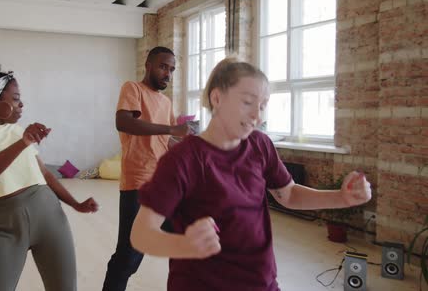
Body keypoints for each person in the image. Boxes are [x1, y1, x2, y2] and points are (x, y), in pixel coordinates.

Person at [130, 58, 372, 291]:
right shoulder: (182, 159)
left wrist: (341, 198)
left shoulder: (260, 145)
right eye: (247, 102)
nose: (258, 115)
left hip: (261, 283)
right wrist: (184, 245)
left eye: (263, 105)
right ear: (217, 98)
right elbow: (141, 235)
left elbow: (288, 195)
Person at [0, 58, 99, 291]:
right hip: (2, 225)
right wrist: (23, 142)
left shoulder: (18, 131)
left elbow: (45, 175)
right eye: (16, 99)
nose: (22, 106)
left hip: (50, 217)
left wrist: (76, 204)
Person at [102, 46, 192, 291]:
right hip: (138, 185)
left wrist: (191, 146)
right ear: (149, 65)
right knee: (128, 258)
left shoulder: (165, 102)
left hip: (165, 185)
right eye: (163, 67)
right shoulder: (133, 88)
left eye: (172, 69)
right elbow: (123, 122)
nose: (168, 74)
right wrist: (171, 130)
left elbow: (168, 140)